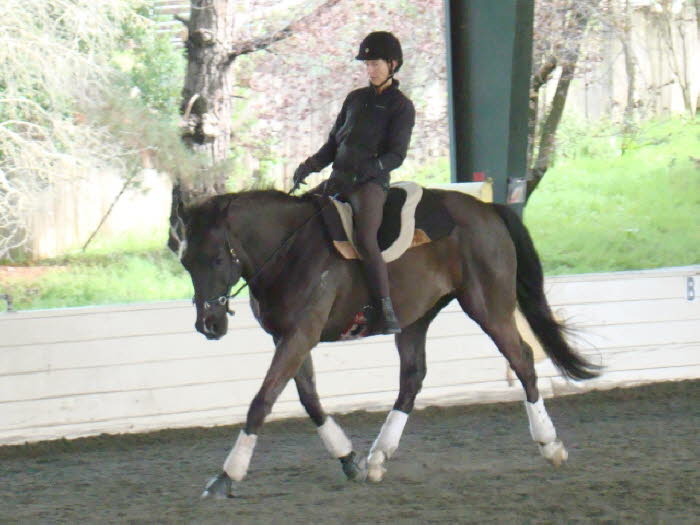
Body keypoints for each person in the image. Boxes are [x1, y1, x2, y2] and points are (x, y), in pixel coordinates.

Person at [293, 31, 415, 335]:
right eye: (367, 64)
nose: (370, 69)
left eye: (375, 63)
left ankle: (383, 308)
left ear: (393, 64)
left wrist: (369, 170)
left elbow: (396, 154)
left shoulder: (401, 106)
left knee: (365, 239)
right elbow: (333, 144)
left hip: (370, 186)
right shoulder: (354, 99)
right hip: (339, 179)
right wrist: (308, 166)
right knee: (302, 217)